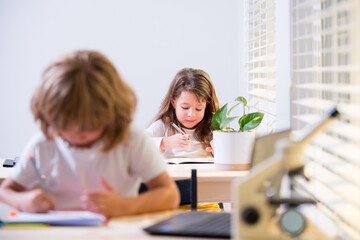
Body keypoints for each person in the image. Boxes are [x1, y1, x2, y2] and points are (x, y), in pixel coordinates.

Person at [0, 50, 180, 217]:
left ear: (112, 115)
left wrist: (124, 206)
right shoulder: (44, 142)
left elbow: (170, 195)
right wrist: (24, 201)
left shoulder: (131, 139)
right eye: (65, 127)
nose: (75, 136)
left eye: (88, 128)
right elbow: (5, 191)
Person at [146, 68, 219, 158]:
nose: (191, 114)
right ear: (173, 102)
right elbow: (136, 143)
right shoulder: (164, 126)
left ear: (207, 105)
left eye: (199, 109)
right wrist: (165, 143)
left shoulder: (213, 128)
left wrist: (222, 149)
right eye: (185, 107)